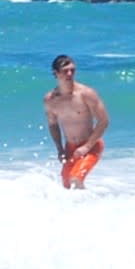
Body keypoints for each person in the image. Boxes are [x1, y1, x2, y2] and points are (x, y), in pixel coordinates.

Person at [43, 54, 109, 189]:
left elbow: (103, 121)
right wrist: (60, 149)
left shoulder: (86, 94)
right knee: (66, 185)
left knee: (76, 179)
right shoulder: (50, 99)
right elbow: (53, 124)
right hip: (70, 148)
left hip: (91, 146)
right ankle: (90, 201)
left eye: (72, 70)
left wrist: (87, 147)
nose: (70, 74)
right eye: (65, 71)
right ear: (56, 73)